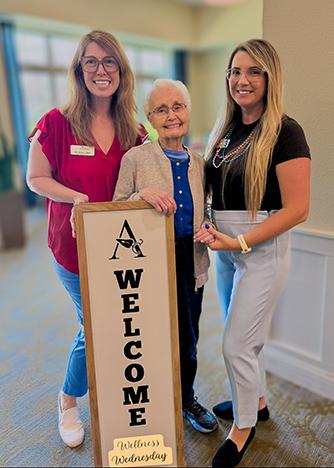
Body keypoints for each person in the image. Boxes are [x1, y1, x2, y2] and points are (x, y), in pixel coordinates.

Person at [26, 30, 147, 448]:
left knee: (116, 322)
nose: (101, 70)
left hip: (122, 250)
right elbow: (35, 178)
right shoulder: (56, 123)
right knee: (94, 324)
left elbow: (142, 180)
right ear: (79, 70)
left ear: (121, 70)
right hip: (73, 247)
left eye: (109, 61)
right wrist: (75, 196)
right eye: (91, 61)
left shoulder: (134, 129)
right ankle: (68, 400)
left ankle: (103, 393)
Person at [194, 39, 311, 467]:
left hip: (260, 250)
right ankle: (257, 401)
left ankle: (243, 427)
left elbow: (298, 208)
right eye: (235, 71)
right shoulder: (225, 130)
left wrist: (240, 240)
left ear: (269, 78)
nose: (241, 80)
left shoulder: (285, 131)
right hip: (226, 250)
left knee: (234, 345)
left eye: (253, 72)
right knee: (247, 337)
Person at [113, 78, 218, 434]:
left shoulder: (201, 162)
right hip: (148, 264)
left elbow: (208, 209)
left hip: (192, 260)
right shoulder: (136, 159)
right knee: (148, 337)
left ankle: (185, 398)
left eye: (178, 107)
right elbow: (113, 210)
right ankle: (153, 403)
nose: (171, 115)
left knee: (188, 339)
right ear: (150, 117)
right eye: (162, 109)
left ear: (188, 111)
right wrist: (140, 194)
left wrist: (209, 226)